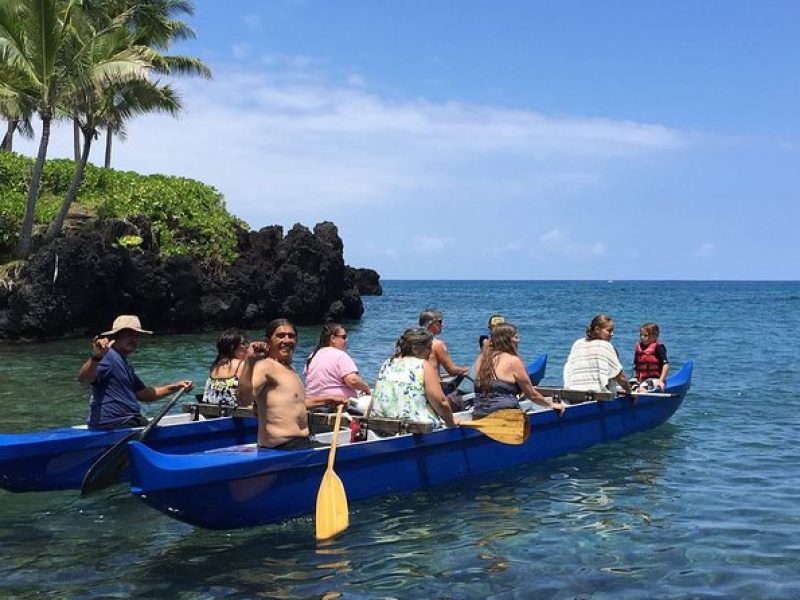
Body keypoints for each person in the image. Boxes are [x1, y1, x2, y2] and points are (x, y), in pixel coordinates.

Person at [238, 318, 348, 450]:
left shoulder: (290, 369)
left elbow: (297, 403)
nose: (287, 340)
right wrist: (249, 362)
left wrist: (328, 400)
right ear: (268, 342)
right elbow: (244, 399)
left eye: (291, 336)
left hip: (301, 442)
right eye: (280, 336)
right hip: (282, 446)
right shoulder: (265, 367)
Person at [77, 315, 193, 430]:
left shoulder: (124, 363)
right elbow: (85, 379)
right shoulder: (108, 356)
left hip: (127, 421)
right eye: (128, 335)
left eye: (136, 336)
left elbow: (144, 394)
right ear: (115, 336)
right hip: (115, 423)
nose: (133, 340)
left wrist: (176, 386)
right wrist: (95, 358)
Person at [473, 322, 565, 418]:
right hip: (505, 418)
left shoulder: (481, 359)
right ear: (507, 340)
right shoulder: (513, 361)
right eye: (516, 337)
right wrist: (550, 405)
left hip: (479, 415)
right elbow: (532, 395)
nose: (518, 341)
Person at [370, 327, 457, 427]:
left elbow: (375, 397)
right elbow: (441, 403)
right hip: (415, 427)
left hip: (381, 425)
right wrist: (452, 422)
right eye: (429, 347)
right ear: (415, 349)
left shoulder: (387, 363)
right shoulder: (422, 365)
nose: (430, 352)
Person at [563, 314, 632, 395]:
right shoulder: (605, 346)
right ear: (597, 329)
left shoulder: (577, 344)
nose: (612, 334)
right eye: (609, 331)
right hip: (598, 395)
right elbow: (621, 378)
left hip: (572, 392)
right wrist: (629, 392)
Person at [304, 322, 371, 403]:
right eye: (344, 337)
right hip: (338, 404)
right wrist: (366, 387)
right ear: (332, 338)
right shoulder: (340, 355)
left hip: (314, 402)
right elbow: (353, 380)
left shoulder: (312, 356)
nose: (346, 340)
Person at [419, 308, 469, 394]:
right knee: (468, 377)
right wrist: (470, 370)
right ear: (431, 324)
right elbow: (452, 371)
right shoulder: (437, 344)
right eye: (440, 322)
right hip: (435, 389)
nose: (442, 325)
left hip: (419, 386)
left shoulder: (412, 342)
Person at [201, 329, 248, 406]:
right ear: (232, 347)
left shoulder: (215, 365)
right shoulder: (241, 364)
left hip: (211, 411)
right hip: (236, 413)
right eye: (243, 343)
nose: (247, 346)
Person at [632, 322, 669, 390]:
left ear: (655, 336)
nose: (642, 337)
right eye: (641, 335)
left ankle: (638, 398)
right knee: (627, 387)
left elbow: (666, 365)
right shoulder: (639, 347)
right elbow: (636, 366)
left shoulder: (658, 347)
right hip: (640, 379)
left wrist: (661, 380)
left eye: (645, 335)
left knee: (641, 389)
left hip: (655, 379)